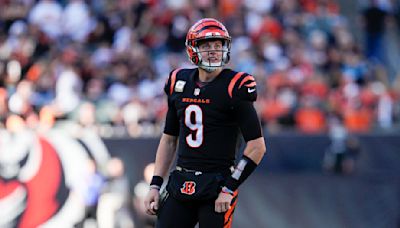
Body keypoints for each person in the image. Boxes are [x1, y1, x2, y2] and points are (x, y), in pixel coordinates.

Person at [144, 18, 266, 228]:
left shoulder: (235, 86)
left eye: (218, 45)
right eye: (206, 45)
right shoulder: (178, 82)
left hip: (217, 185)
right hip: (180, 182)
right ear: (193, 49)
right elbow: (170, 139)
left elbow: (257, 146)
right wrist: (155, 185)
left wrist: (229, 188)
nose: (213, 51)